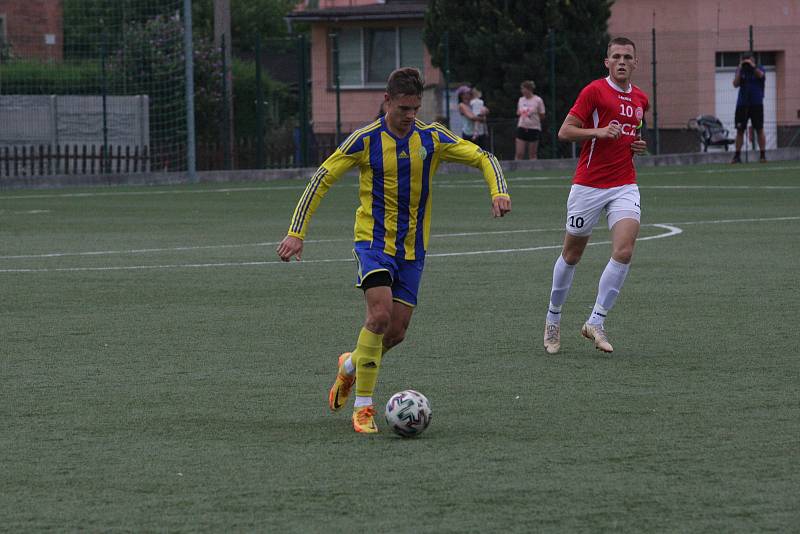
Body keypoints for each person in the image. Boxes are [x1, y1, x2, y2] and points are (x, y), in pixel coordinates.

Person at [277, 67, 511, 434]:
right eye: (403, 108)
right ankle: (364, 408)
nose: (410, 115)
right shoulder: (365, 140)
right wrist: (296, 232)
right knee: (380, 316)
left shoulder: (431, 137)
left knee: (397, 332)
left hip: (413, 251)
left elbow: (484, 156)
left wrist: (498, 190)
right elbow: (322, 179)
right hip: (373, 243)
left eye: (415, 108)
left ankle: (351, 365)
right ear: (387, 101)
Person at [542, 37, 648, 355]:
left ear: (635, 62)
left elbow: (633, 133)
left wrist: (637, 146)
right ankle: (553, 318)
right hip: (588, 185)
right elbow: (565, 131)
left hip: (624, 184)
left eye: (627, 57)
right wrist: (597, 132)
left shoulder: (641, 98)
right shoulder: (594, 91)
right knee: (572, 255)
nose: (621, 61)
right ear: (607, 62)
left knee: (625, 249)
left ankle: (596, 321)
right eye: (616, 56)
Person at [731, 53, 767, 163]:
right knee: (740, 130)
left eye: (748, 60)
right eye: (744, 60)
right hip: (742, 104)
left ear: (753, 60)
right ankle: (737, 156)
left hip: (756, 103)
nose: (746, 62)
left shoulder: (759, 68)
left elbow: (760, 75)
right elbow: (735, 84)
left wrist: (752, 66)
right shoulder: (740, 70)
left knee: (759, 129)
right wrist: (740, 69)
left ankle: (762, 155)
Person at [515, 80, 546, 160]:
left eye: (523, 89)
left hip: (534, 128)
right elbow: (518, 112)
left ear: (529, 89)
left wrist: (533, 114)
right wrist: (521, 112)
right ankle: (517, 171)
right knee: (519, 153)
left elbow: (542, 115)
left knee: (532, 154)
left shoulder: (538, 100)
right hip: (522, 127)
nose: (522, 91)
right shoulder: (521, 100)